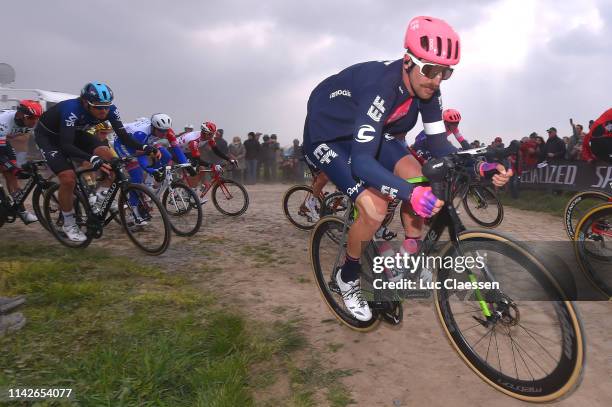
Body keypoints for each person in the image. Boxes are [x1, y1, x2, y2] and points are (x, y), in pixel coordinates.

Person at [301, 16, 511, 321]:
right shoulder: (381, 87)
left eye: (446, 72)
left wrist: (480, 166)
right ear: (408, 61)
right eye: (430, 70)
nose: (437, 80)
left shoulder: (428, 90)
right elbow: (362, 162)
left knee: (421, 179)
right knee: (374, 207)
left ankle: (406, 259)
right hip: (328, 134)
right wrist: (407, 193)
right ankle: (348, 276)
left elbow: (441, 148)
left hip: (366, 131)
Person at [34, 82, 160, 242]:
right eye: (99, 107)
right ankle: (69, 223)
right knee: (68, 178)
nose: (104, 111)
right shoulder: (71, 109)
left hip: (76, 133)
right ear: (85, 102)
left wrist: (145, 147)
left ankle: (101, 195)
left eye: (107, 106)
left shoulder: (111, 110)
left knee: (112, 159)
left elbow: (124, 137)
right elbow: (66, 145)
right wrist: (92, 158)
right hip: (49, 138)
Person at [0, 100, 43, 223]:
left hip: (3, 140)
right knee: (10, 168)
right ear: (19, 114)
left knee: (12, 174)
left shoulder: (31, 124)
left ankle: (22, 211)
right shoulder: (4, 122)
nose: (34, 121)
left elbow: (40, 143)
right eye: (30, 118)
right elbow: (1, 155)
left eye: (37, 118)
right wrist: (14, 168)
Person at [176, 121, 237, 191]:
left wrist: (229, 159)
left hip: (185, 151)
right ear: (204, 133)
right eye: (211, 134)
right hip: (175, 151)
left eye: (213, 134)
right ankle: (188, 189)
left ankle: (190, 189)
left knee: (201, 168)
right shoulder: (194, 140)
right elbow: (198, 160)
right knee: (193, 168)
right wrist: (212, 165)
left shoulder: (208, 137)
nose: (212, 136)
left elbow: (216, 151)